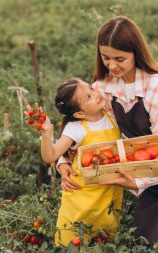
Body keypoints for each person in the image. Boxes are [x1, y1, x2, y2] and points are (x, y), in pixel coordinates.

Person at [58, 16, 158, 251]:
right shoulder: (104, 87)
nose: (112, 66)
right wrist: (64, 160)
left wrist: (135, 182)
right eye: (106, 57)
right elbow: (85, 125)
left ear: (136, 53)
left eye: (120, 59)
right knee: (145, 241)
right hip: (150, 162)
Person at [30, 78, 123, 247]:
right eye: (88, 97)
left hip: (108, 197)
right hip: (81, 199)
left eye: (92, 89)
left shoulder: (112, 116)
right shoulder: (77, 128)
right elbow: (49, 156)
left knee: (104, 244)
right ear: (79, 114)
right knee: (73, 245)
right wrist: (47, 131)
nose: (96, 94)